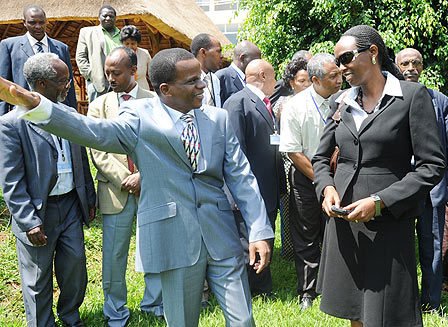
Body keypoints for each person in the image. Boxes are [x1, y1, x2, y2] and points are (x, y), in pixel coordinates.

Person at [0, 48, 274, 327]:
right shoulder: (139, 115)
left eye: (200, 78)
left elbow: (242, 177)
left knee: (243, 320)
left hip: (222, 235)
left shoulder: (218, 118)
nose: (202, 84)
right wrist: (38, 107)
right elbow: (94, 131)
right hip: (175, 238)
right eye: (192, 81)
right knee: (182, 321)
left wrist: (259, 231)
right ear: (165, 89)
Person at [312, 25, 445, 327]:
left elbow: (431, 165)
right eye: (338, 61)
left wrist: (380, 201)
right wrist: (327, 188)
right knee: (354, 308)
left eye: (346, 57)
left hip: (387, 220)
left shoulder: (411, 96)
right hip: (344, 219)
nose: (341, 67)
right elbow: (320, 158)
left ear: (373, 53)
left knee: (387, 311)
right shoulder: (341, 101)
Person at [0, 53, 96, 327]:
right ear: (41, 84)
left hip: (69, 205)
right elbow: (11, 181)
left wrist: (88, 196)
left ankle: (70, 317)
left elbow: (81, 159)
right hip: (38, 210)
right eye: (63, 81)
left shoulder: (69, 114)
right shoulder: (12, 125)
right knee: (37, 277)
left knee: (75, 266)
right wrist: (29, 221)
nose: (68, 85)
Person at [87, 46, 163, 326]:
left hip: (151, 187)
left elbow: (161, 145)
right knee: (113, 256)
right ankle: (115, 310)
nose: (110, 78)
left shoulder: (155, 101)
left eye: (116, 73)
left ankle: (154, 303)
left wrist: (145, 176)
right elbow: (98, 150)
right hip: (115, 190)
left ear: (134, 71)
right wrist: (126, 179)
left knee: (154, 247)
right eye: (107, 73)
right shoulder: (98, 106)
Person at [279, 53, 342, 310]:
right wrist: (323, 182)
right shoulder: (295, 106)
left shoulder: (347, 100)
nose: (340, 79)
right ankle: (307, 290)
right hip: (306, 175)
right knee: (306, 233)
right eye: (333, 76)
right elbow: (293, 151)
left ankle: (333, 286)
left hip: (341, 177)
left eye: (339, 74)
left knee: (337, 232)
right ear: (315, 80)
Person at [396, 47, 448, 311]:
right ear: (397, 67)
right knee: (398, 246)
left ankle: (431, 302)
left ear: (422, 68)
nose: (410, 68)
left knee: (433, 248)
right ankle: (403, 301)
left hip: (433, 189)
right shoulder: (389, 99)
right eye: (405, 63)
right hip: (397, 188)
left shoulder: (439, 100)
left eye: (416, 63)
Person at [223, 59, 283, 296]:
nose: (276, 81)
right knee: (248, 240)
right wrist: (237, 191)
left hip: (267, 186)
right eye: (274, 75)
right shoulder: (238, 103)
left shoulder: (265, 103)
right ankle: (252, 289)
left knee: (264, 235)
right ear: (262, 75)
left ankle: (261, 285)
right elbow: (234, 151)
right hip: (249, 189)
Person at [0, 5, 77, 115]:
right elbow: (3, 84)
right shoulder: (9, 46)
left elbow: (69, 84)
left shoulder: (61, 48)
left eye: (41, 22)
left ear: (46, 22)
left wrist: (74, 114)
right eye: (32, 23)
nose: (38, 26)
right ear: (24, 22)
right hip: (23, 110)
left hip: (56, 111)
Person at [273, 56, 311, 263]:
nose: (306, 85)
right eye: (301, 81)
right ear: (291, 82)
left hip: (314, 157)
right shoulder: (284, 103)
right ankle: (290, 249)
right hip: (291, 158)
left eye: (309, 80)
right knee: (290, 206)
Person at [76, 5, 121, 102]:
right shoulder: (87, 32)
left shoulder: (122, 35)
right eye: (105, 16)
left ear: (115, 18)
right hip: (97, 81)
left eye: (111, 16)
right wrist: (90, 75)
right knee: (97, 113)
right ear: (99, 17)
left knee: (119, 112)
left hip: (119, 81)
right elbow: (80, 57)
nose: (108, 18)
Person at [190, 33, 222, 107]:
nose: (221, 56)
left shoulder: (215, 79)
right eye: (218, 51)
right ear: (203, 52)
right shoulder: (189, 81)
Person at [119, 25, 152, 91]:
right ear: (122, 43)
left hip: (143, 89)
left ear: (138, 43)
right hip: (124, 90)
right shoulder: (117, 55)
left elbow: (152, 73)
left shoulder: (145, 54)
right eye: (127, 43)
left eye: (133, 43)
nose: (130, 46)